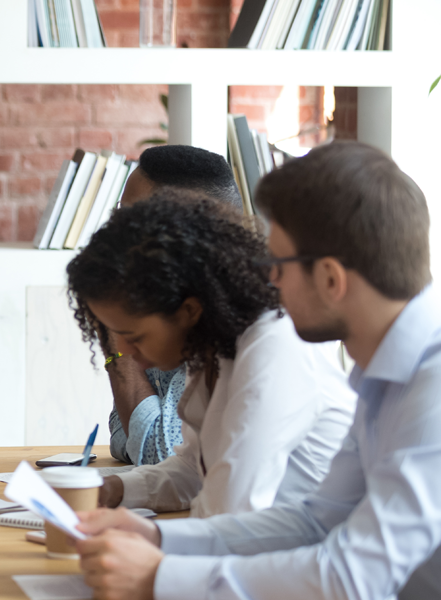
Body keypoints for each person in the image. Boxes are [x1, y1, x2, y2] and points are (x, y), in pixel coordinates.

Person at [75, 141, 441, 600]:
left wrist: (159, 577)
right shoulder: (379, 376)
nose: (267, 279)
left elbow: (353, 578)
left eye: (278, 264)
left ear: (331, 279)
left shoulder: (432, 389)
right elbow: (315, 521)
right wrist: (161, 540)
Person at [66, 191, 355, 517]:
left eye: (135, 337)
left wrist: (150, 539)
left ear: (188, 310)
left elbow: (231, 509)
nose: (127, 355)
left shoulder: (273, 347)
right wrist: (113, 490)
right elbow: (197, 469)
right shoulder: (212, 346)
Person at [108, 145, 244, 467]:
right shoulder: (166, 302)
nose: (116, 234)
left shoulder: (230, 323)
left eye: (132, 221)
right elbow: (121, 435)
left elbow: (162, 453)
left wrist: (115, 337)